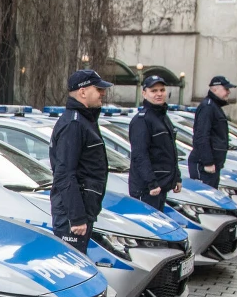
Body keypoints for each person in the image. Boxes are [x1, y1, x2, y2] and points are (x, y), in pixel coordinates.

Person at [50, 69, 112, 253]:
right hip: (72, 214)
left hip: (83, 208)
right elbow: (65, 173)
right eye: (98, 88)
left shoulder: (84, 121)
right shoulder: (74, 124)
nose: (103, 93)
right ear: (83, 91)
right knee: (72, 267)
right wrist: (76, 217)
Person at [127, 74, 181, 211]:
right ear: (144, 94)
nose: (159, 94)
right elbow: (140, 155)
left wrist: (176, 178)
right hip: (148, 189)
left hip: (161, 185)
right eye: (154, 91)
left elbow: (169, 151)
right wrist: (151, 183)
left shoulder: (163, 117)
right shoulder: (142, 120)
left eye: (162, 90)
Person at [189, 75, 233, 188]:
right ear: (214, 89)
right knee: (204, 199)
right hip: (204, 165)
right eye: (226, 89)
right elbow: (201, 136)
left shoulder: (214, 107)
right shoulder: (208, 107)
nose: (228, 92)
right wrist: (207, 161)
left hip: (212, 165)